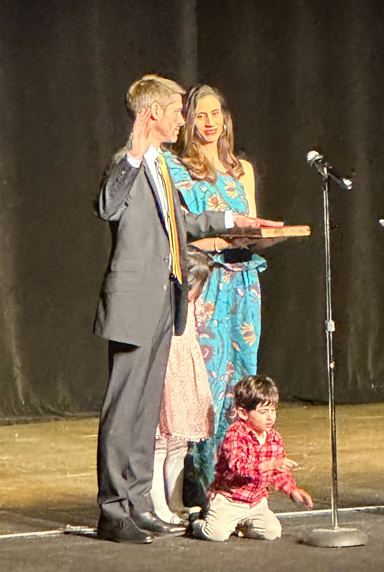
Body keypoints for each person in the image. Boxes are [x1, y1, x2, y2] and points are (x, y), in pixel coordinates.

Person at [93, 75, 278, 545]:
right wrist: (132, 157)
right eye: (178, 110)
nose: (184, 119)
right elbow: (107, 206)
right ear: (152, 113)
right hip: (135, 302)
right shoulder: (130, 161)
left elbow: (186, 222)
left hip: (165, 300)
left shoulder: (159, 165)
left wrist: (234, 220)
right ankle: (113, 510)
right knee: (124, 410)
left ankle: (139, 503)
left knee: (146, 412)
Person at [167, 84, 269, 508]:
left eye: (215, 114)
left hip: (243, 280)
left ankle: (238, 479)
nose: (209, 123)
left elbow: (252, 225)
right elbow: (180, 229)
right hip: (207, 280)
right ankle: (200, 482)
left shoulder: (241, 169)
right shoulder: (176, 167)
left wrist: (265, 236)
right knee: (207, 381)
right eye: (200, 115)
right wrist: (214, 244)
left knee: (243, 377)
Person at [192, 374, 313, 541]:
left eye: (273, 410)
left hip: (256, 502)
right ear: (243, 412)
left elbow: (279, 472)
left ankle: (239, 525)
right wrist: (269, 465)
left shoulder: (274, 438)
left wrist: (292, 490)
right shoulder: (235, 434)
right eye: (263, 412)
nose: (270, 417)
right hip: (230, 499)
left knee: (272, 532)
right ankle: (197, 521)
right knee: (216, 534)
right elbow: (238, 465)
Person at [151, 248, 216, 525]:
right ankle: (158, 506)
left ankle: (175, 502)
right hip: (166, 375)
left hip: (184, 376)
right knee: (159, 446)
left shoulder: (191, 306)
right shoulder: (162, 304)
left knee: (178, 445)